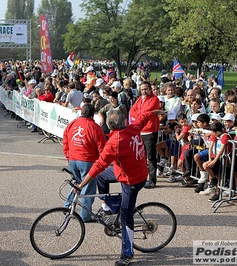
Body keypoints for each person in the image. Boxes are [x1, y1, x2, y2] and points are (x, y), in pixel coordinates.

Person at [76, 109, 163, 266]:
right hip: (133, 172)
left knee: (126, 217)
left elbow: (98, 165)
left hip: (132, 180)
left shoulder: (115, 142)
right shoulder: (133, 128)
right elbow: (143, 117)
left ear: (109, 125)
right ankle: (108, 207)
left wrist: (81, 185)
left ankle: (127, 254)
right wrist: (156, 111)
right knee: (102, 177)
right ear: (124, 122)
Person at [62, 104, 106, 223]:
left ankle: (67, 206)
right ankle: (85, 216)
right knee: (87, 188)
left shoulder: (72, 124)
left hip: (73, 159)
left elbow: (65, 141)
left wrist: (68, 156)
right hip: (87, 160)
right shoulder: (95, 127)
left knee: (75, 183)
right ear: (93, 114)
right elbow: (102, 148)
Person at [129, 81, 160, 188]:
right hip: (140, 130)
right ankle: (142, 178)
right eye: (142, 89)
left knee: (151, 157)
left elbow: (148, 112)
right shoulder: (139, 99)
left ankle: (152, 179)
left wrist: (140, 114)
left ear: (150, 89)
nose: (144, 91)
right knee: (141, 156)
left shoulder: (154, 99)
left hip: (150, 130)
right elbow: (132, 111)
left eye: (146, 89)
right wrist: (141, 114)